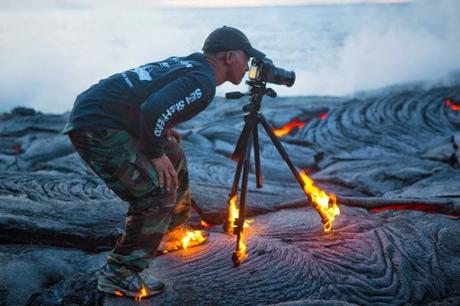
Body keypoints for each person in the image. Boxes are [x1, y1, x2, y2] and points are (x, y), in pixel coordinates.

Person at [63, 26, 265, 299]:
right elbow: (152, 109)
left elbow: (152, 97)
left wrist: (161, 132)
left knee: (174, 152)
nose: (249, 63)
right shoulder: (203, 82)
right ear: (230, 56)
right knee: (156, 192)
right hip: (97, 127)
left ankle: (170, 230)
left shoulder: (191, 63)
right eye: (246, 57)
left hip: (101, 112)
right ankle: (119, 273)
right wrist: (154, 153)